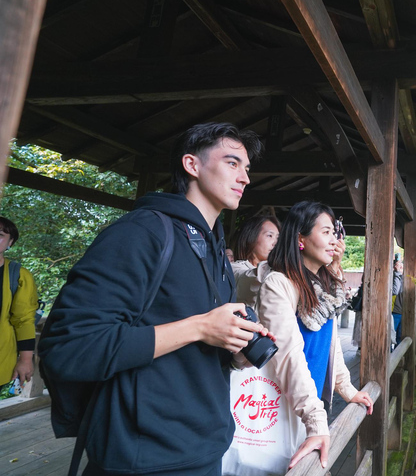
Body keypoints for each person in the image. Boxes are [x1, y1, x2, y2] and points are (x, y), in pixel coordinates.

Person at [38, 122, 274, 476]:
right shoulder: (142, 232)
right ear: (192, 165)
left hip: (206, 449)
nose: (244, 178)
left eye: (246, 168)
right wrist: (199, 328)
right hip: (143, 458)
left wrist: (233, 349)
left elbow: (190, 348)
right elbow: (71, 346)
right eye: (231, 163)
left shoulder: (213, 248)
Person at [256, 201, 373, 470]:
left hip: (310, 403)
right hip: (283, 405)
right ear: (300, 238)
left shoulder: (322, 285)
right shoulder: (279, 283)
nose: (334, 241)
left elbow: (330, 346)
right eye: (326, 232)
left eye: (335, 233)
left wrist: (348, 390)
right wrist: (316, 421)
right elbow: (288, 356)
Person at [0, 217, 38, 396]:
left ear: (10, 242)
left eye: (0, 235)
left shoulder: (18, 276)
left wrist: (25, 359)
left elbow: (24, 320)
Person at [230, 214, 280, 308]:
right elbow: (252, 278)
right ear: (251, 237)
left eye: (278, 238)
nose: (276, 243)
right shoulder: (234, 268)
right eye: (270, 235)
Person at [391, 258, 404, 345]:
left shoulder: (403, 277)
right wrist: (397, 273)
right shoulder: (395, 276)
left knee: (400, 337)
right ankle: (389, 354)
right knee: (391, 335)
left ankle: (398, 357)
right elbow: (395, 290)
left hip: (402, 312)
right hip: (395, 311)